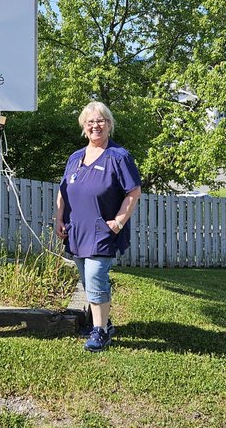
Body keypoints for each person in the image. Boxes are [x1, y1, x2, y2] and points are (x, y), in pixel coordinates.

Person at [54, 101, 142, 352]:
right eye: (90, 122)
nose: (96, 125)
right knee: (86, 280)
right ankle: (104, 322)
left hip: (102, 229)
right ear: (84, 127)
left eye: (101, 121)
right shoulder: (74, 158)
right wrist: (59, 219)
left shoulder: (119, 156)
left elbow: (134, 192)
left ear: (109, 125)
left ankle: (100, 331)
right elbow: (63, 192)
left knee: (95, 278)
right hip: (76, 230)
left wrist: (119, 222)